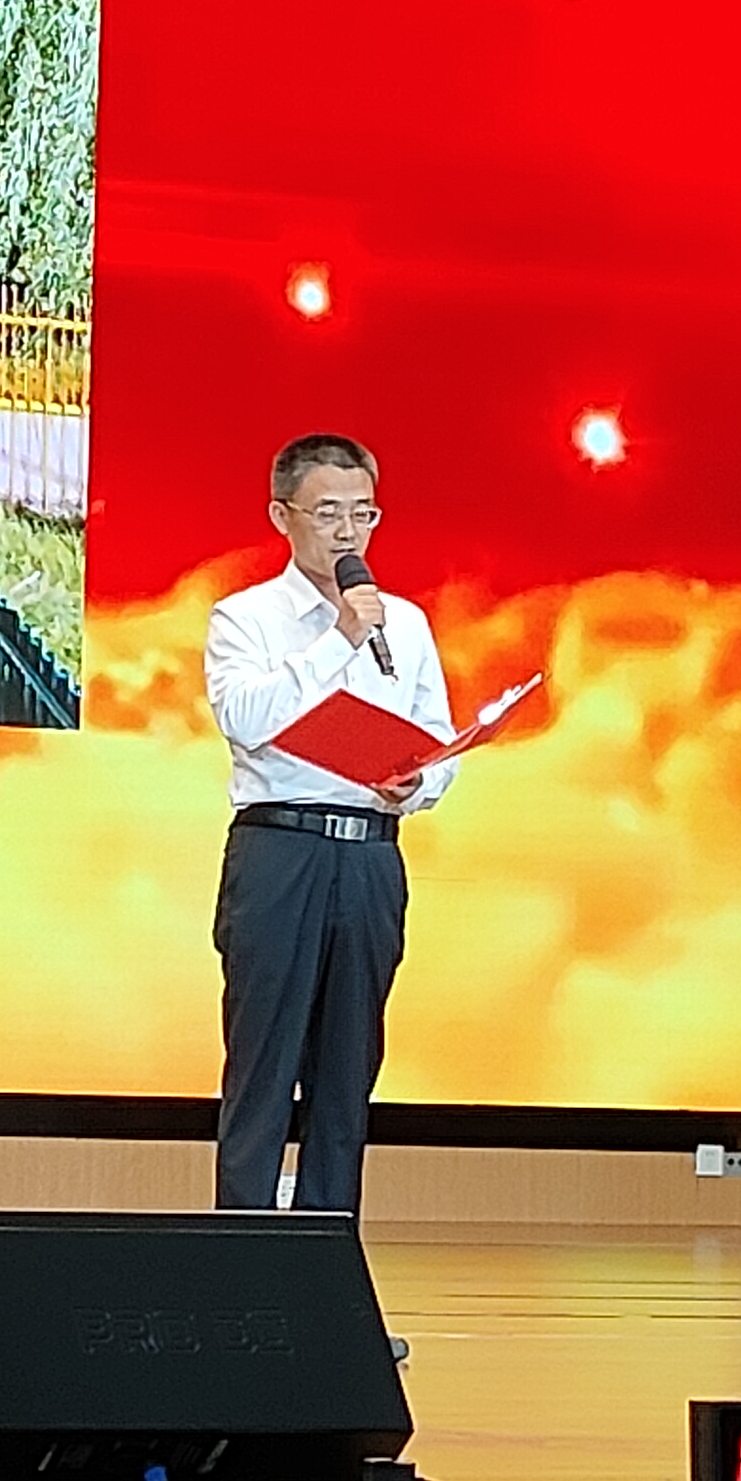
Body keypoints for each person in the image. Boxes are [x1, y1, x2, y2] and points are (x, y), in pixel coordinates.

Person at [200, 432, 453, 1214]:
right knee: (263, 1066)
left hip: (370, 856)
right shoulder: (244, 617)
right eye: (328, 513)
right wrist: (338, 636)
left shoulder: (405, 622)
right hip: (281, 849)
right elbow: (246, 720)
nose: (348, 532)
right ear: (283, 516)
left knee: (349, 1071)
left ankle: (328, 1254)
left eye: (363, 513)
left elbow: (438, 740)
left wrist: (419, 782)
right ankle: (244, 1254)